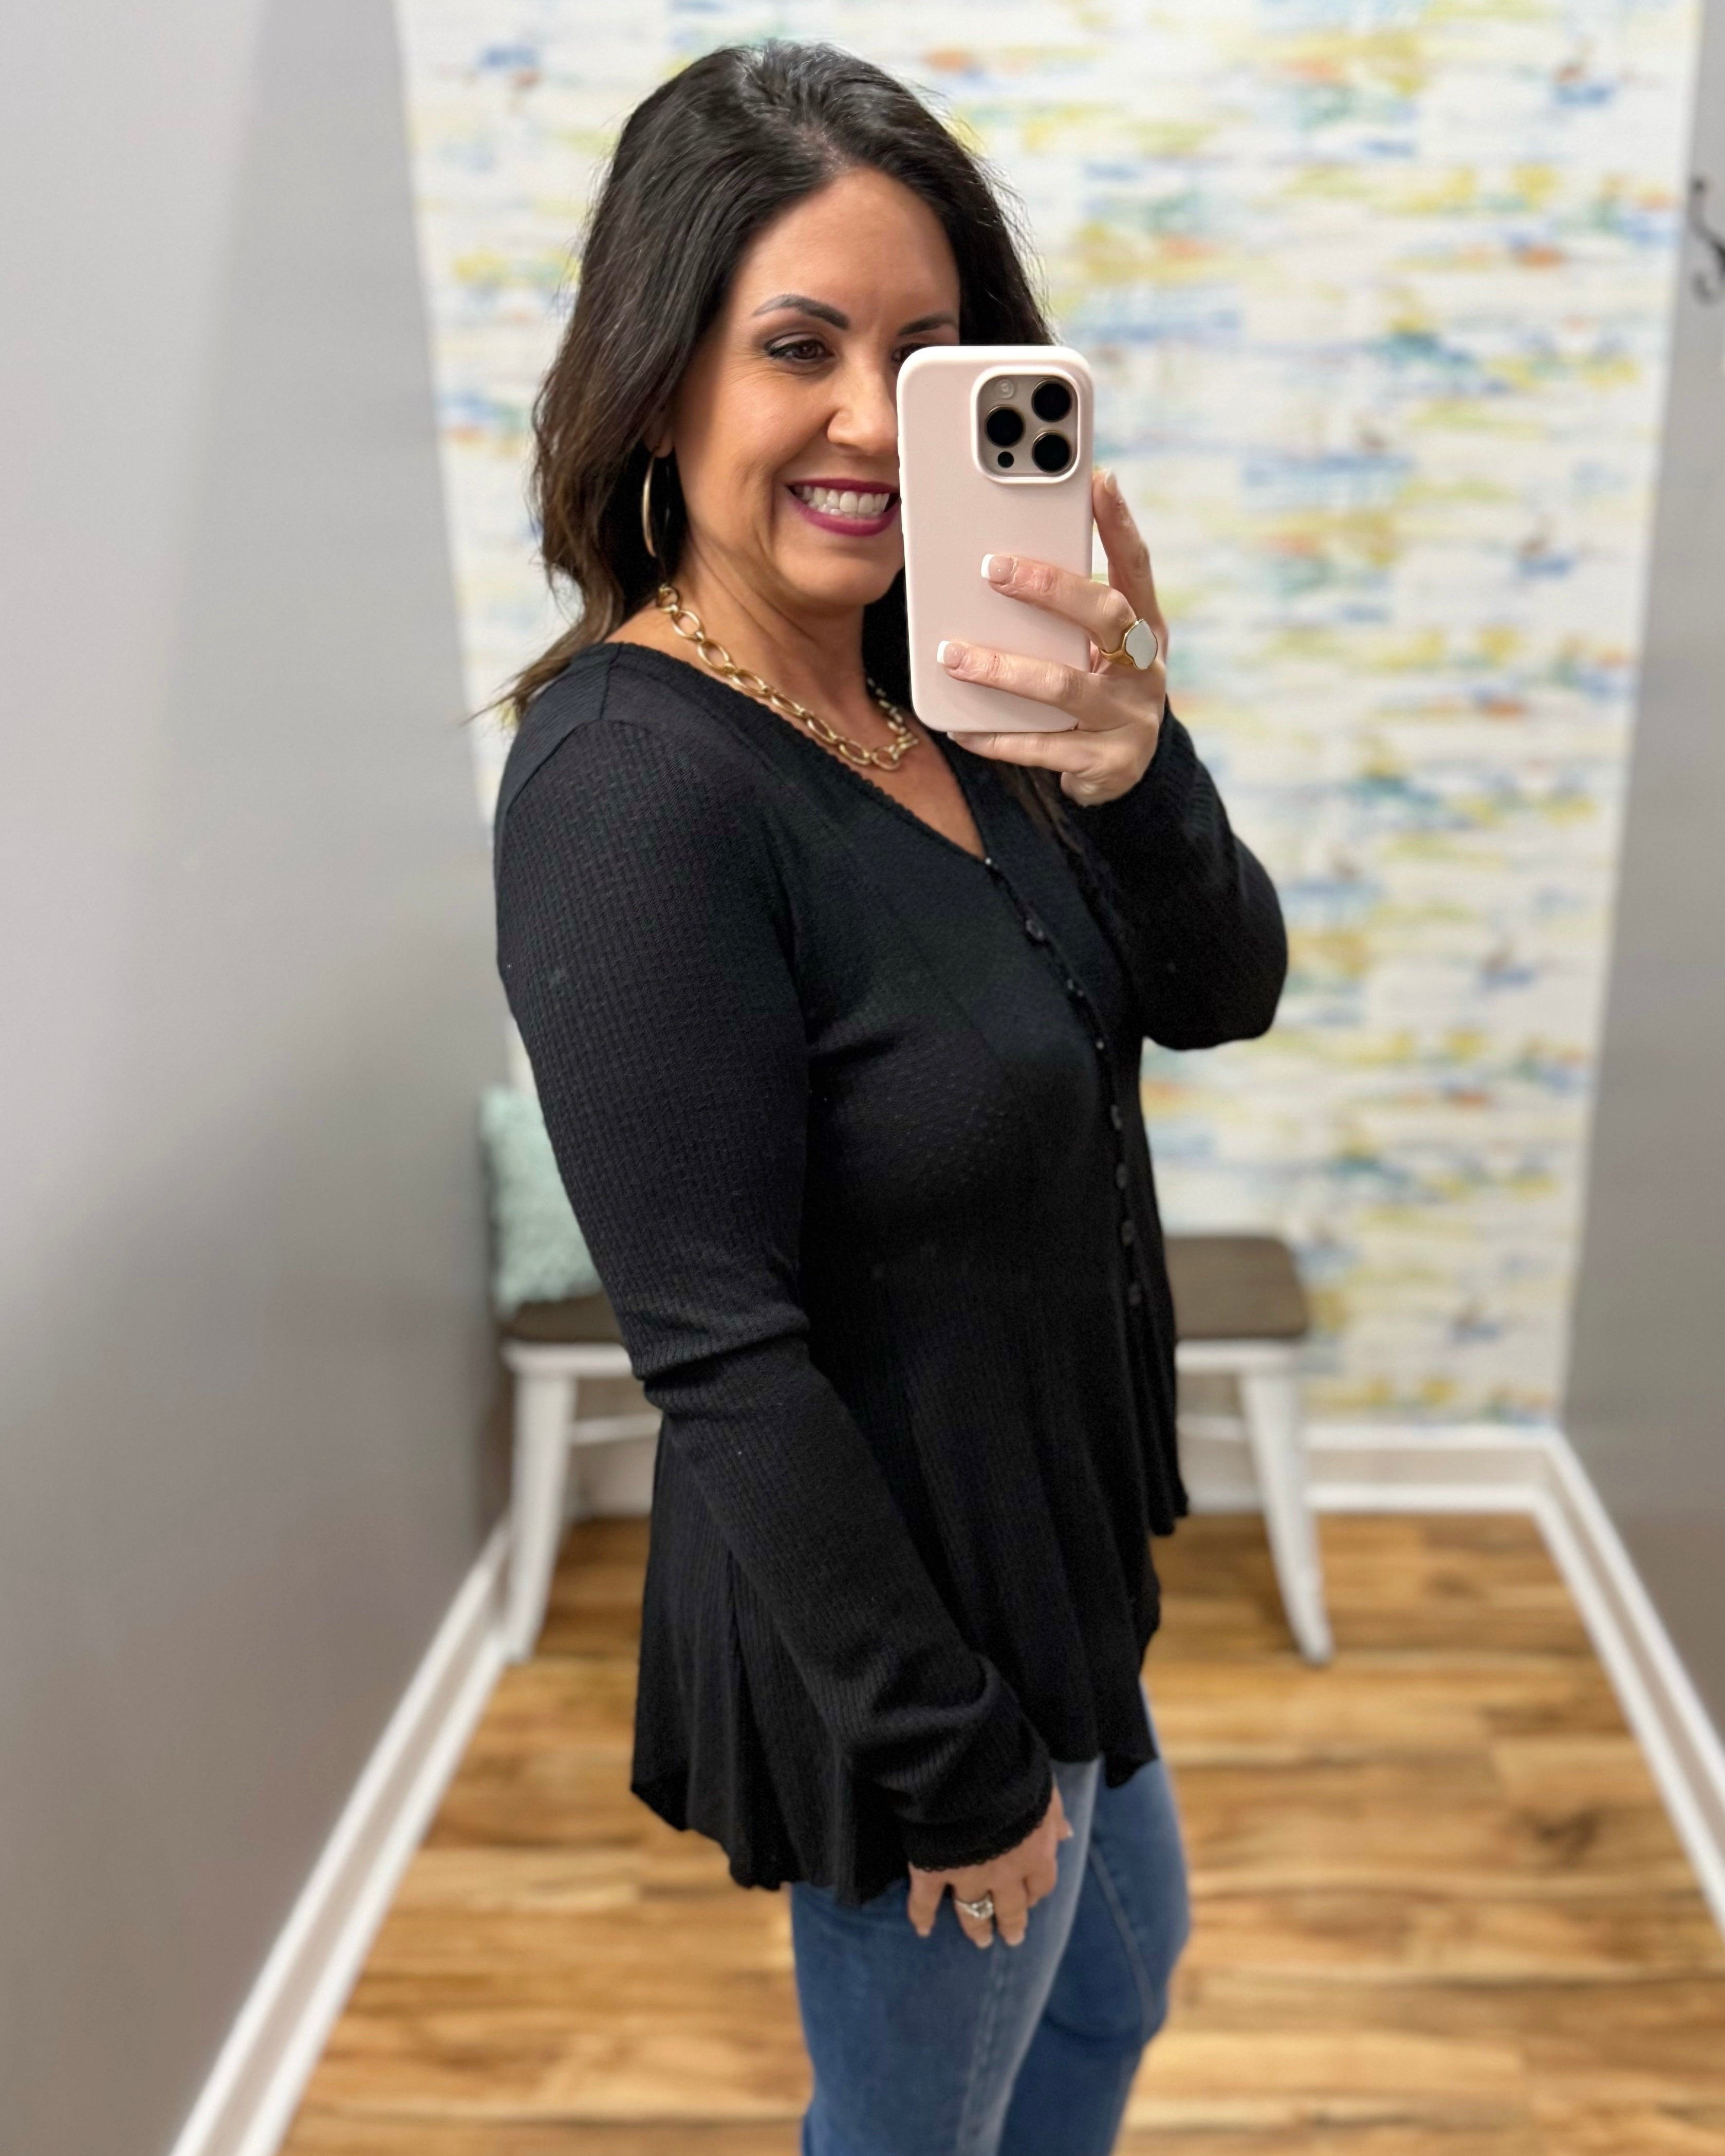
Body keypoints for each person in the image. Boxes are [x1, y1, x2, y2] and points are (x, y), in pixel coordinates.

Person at [493, 41, 1286, 2156]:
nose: (868, 417)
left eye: (927, 354)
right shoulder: (633, 793)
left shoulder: (967, 673)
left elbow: (1223, 990)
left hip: (1062, 1553)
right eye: (798, 346)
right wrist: (954, 1758)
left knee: (1118, 1989)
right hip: (905, 1620)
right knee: (916, 2116)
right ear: (665, 377)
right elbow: (720, 1347)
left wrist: (1138, 750)